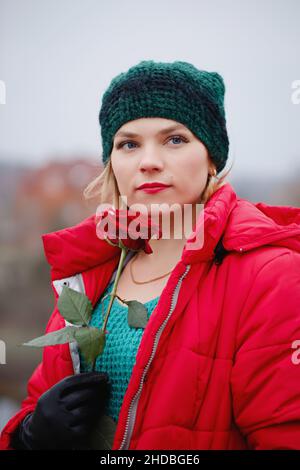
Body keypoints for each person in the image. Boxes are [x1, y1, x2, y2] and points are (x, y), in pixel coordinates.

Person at [1, 60, 300, 451]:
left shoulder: (271, 277)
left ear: (212, 156)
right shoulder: (91, 271)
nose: (148, 161)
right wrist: (30, 436)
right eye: (129, 144)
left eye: (174, 139)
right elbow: (34, 400)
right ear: (112, 162)